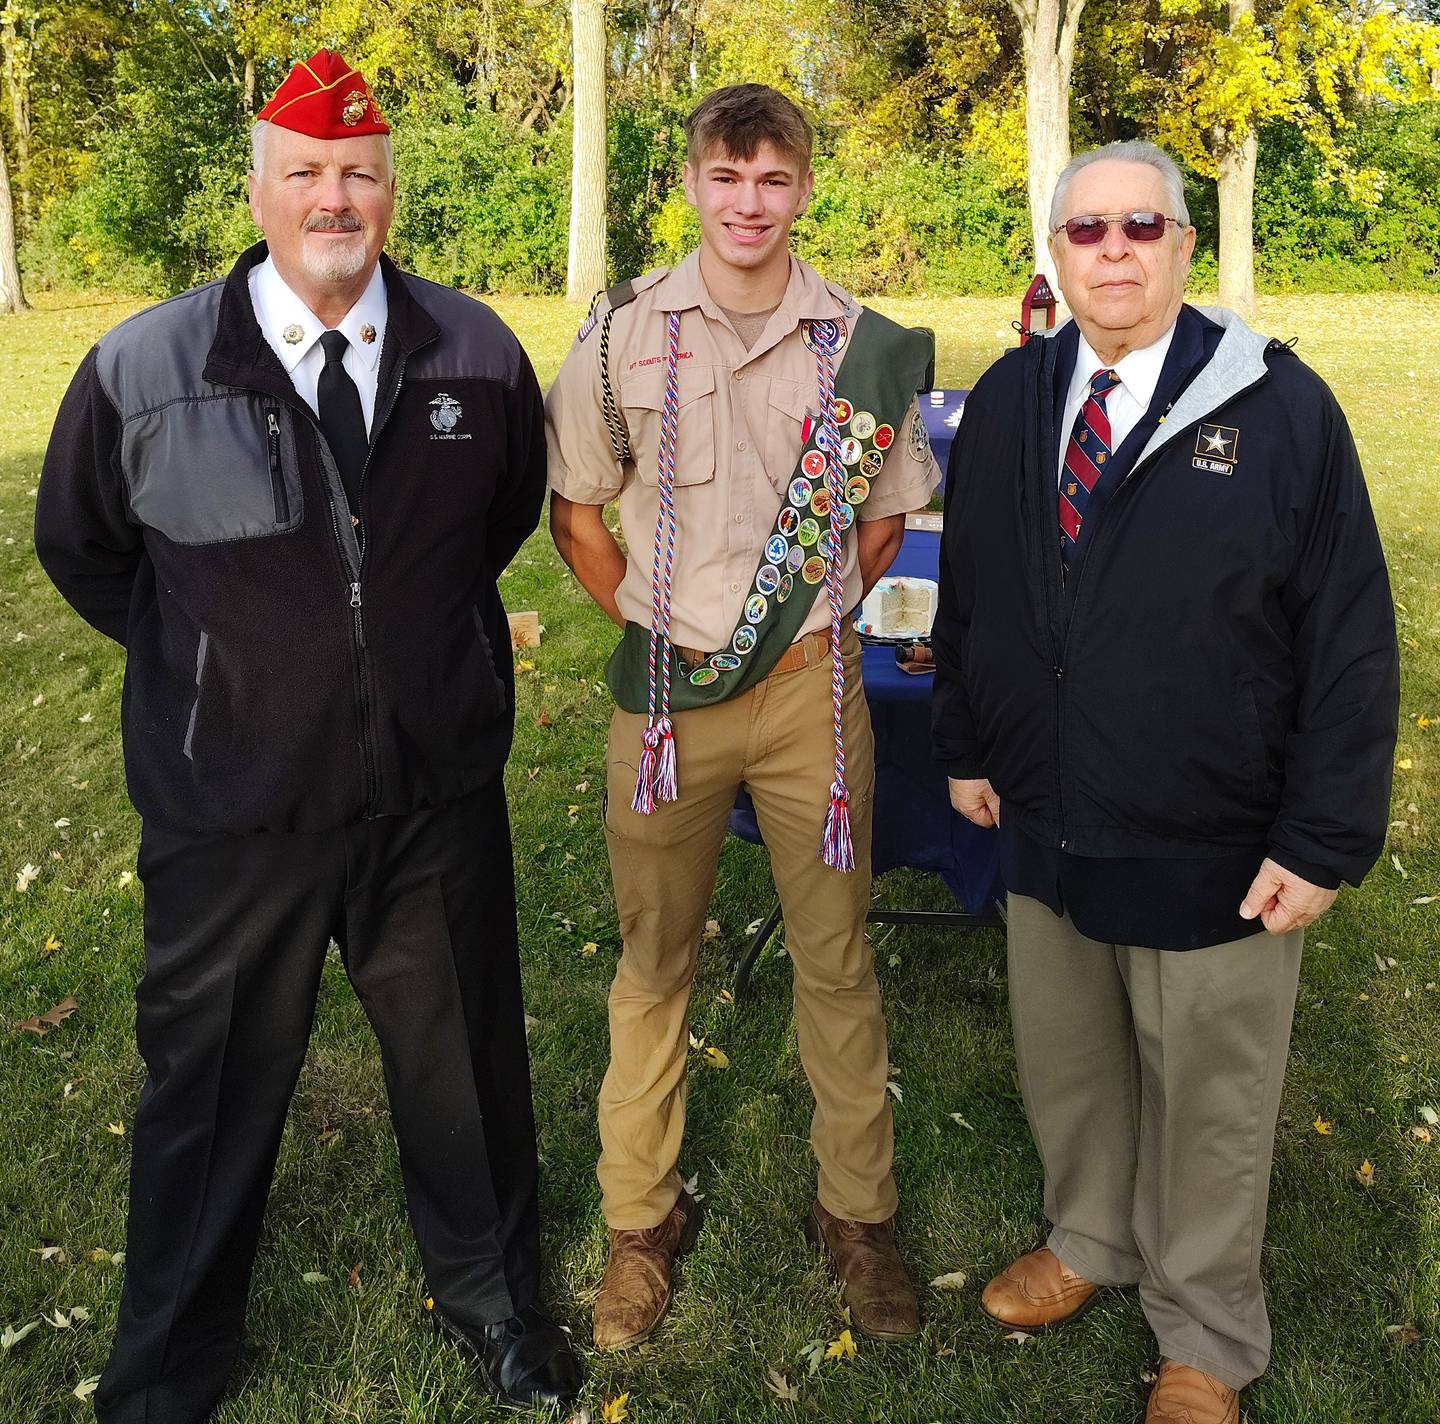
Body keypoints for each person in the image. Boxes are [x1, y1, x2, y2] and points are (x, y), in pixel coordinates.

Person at [35, 50, 581, 1421]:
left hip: (431, 802)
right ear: (261, 189)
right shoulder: (144, 364)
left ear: (391, 190)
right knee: (204, 1096)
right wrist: (217, 667)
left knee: (466, 1079)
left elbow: (495, 521)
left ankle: (496, 1309)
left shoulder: (478, 354)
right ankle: (168, 1366)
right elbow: (84, 548)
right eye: (305, 172)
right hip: (233, 816)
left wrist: (417, 653)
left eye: (357, 172)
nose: (332, 196)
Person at [931, 140, 1399, 1423]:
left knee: (1208, 1090)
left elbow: (1351, 638)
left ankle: (1204, 1329)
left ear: (1185, 246)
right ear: (1057, 251)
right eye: (1088, 230)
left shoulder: (1280, 408)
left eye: (1145, 225)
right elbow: (968, 592)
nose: (1117, 249)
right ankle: (1091, 1236)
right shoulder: (1016, 398)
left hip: (1214, 831)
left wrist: (1321, 835)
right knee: (1069, 1060)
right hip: (1049, 817)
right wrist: (969, 743)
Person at [545, 83, 940, 1352]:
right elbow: (578, 509)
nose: (750, 202)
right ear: (695, 185)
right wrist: (648, 624)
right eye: (729, 177)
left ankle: (860, 1216)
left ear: (803, 188)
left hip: (810, 704)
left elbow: (883, 515)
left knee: (836, 958)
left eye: (774, 179)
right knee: (654, 965)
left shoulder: (856, 345)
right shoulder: (622, 335)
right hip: (669, 707)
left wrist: (809, 615)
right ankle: (639, 1223)